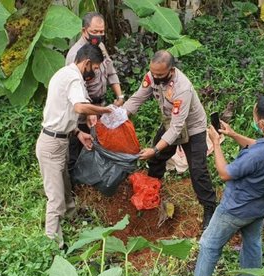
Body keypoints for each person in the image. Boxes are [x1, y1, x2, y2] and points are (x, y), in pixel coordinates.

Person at [192, 95, 264, 276]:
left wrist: (216, 143)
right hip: (260, 205)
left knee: (209, 244)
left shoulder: (257, 156)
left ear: (263, 123)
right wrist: (233, 135)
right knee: (252, 245)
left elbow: (225, 173)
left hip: (235, 208)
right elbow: (259, 144)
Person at [123, 50, 217, 229]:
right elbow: (138, 98)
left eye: (160, 75)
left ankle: (209, 207)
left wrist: (155, 148)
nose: (155, 77)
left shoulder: (182, 89)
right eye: (153, 73)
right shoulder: (152, 76)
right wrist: (121, 115)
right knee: (157, 160)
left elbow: (177, 128)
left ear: (171, 70)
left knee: (198, 170)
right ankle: (152, 189)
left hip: (192, 128)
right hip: (170, 122)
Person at [36, 44, 113, 246]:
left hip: (59, 139)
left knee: (66, 185)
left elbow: (62, 112)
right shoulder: (74, 78)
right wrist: (104, 111)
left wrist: (78, 133)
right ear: (87, 63)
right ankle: (54, 244)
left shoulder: (64, 74)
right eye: (95, 68)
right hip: (51, 145)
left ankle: (72, 219)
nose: (95, 73)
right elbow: (79, 106)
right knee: (56, 198)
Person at [65, 12, 124, 175]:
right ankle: (74, 187)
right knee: (77, 148)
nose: (99, 35)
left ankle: (93, 179)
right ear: (84, 31)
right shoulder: (75, 55)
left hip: (100, 106)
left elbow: (111, 71)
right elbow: (78, 87)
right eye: (95, 31)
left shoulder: (100, 47)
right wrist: (90, 110)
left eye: (102, 32)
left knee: (97, 144)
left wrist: (120, 96)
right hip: (83, 111)